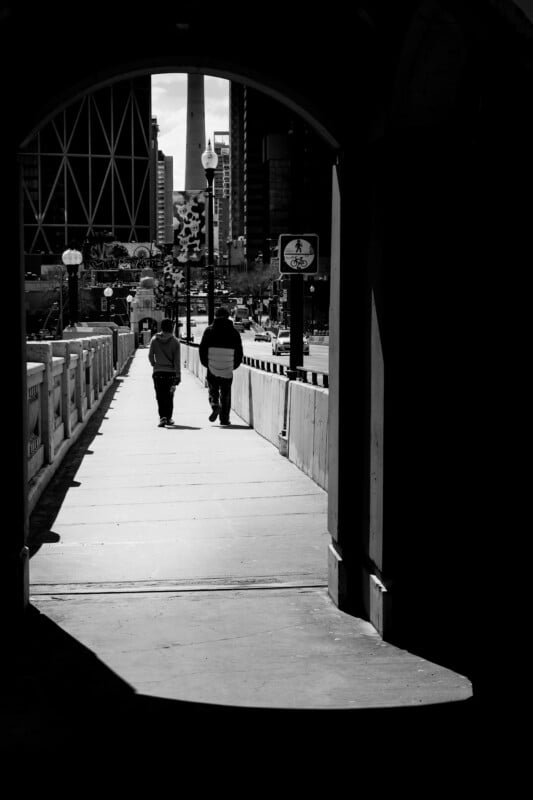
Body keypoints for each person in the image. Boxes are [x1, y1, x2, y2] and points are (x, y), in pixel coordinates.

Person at [199, 306, 243, 426]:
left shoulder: (209, 330)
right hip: (228, 366)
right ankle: (224, 419)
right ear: (228, 317)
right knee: (226, 393)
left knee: (213, 389)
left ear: (215, 316)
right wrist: (234, 366)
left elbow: (202, 349)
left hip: (212, 365)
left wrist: (206, 363)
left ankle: (214, 404)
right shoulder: (234, 332)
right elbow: (239, 351)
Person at [148, 318, 181, 427]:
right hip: (170, 373)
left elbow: (150, 356)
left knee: (160, 395)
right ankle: (169, 418)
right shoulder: (175, 341)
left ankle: (162, 417)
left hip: (158, 372)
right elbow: (177, 361)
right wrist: (178, 375)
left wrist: (154, 364)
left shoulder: (154, 339)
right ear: (172, 328)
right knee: (169, 396)